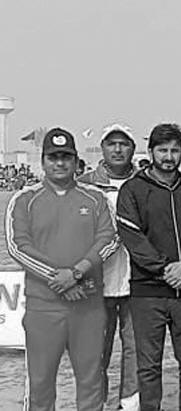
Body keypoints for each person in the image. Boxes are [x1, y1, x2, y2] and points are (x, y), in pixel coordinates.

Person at [6, 127, 119, 411]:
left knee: (92, 382)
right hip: (43, 308)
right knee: (40, 384)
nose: (60, 163)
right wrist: (59, 279)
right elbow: (18, 246)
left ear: (76, 160)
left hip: (88, 305)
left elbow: (110, 239)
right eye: (53, 157)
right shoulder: (24, 199)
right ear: (42, 160)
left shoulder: (95, 198)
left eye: (66, 157)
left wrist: (76, 273)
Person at [117, 123, 181, 411]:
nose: (169, 157)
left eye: (175, 150)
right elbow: (133, 238)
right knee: (148, 367)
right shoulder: (132, 190)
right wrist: (167, 269)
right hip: (148, 293)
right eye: (162, 150)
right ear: (151, 151)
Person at [79, 123, 141, 410]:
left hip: (137, 283)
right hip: (96, 285)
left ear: (133, 149)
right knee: (94, 352)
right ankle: (95, 403)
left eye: (124, 144)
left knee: (136, 350)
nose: (118, 150)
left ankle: (130, 403)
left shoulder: (144, 184)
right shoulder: (84, 185)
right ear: (102, 148)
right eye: (112, 144)